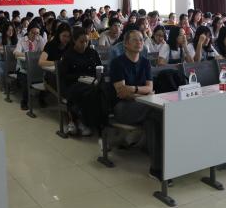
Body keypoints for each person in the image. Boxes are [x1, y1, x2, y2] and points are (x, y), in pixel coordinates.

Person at [110, 29, 163, 180]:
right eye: (134, 40)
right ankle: (160, 165)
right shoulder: (117, 63)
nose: (139, 42)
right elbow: (122, 93)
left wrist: (133, 89)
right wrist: (144, 93)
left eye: (141, 39)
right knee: (157, 111)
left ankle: (157, 167)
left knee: (153, 119)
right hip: (122, 107)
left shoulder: (145, 62)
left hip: (142, 106)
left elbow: (150, 88)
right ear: (126, 44)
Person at [61, 27, 103, 136]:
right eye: (81, 41)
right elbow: (64, 76)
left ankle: (89, 121)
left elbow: (99, 68)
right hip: (73, 84)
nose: (84, 44)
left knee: (99, 91)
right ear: (74, 40)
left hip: (92, 83)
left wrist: (95, 77)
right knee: (87, 93)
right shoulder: (68, 55)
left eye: (87, 41)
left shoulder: (92, 52)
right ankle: (81, 120)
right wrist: (80, 77)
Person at [14, 23, 46, 110]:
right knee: (26, 81)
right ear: (28, 32)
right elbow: (16, 53)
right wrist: (29, 55)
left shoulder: (40, 39)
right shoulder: (22, 40)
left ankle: (41, 99)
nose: (35, 35)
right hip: (23, 68)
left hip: (37, 69)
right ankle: (24, 102)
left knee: (47, 78)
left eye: (37, 33)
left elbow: (44, 52)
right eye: (33, 33)